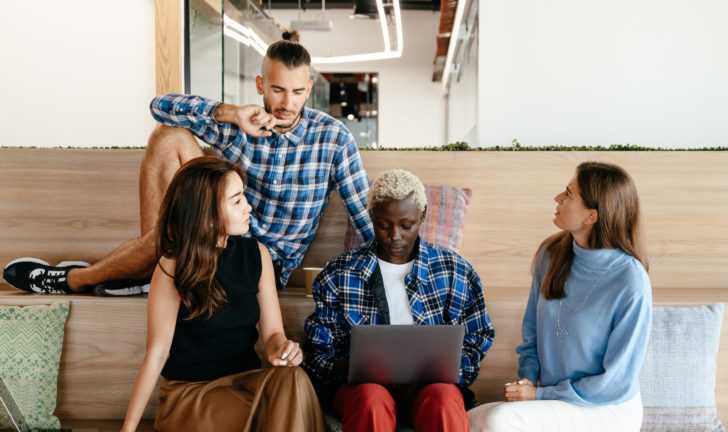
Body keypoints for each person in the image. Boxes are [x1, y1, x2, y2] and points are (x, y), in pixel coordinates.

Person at [3, 30, 373, 295]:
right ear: (261, 85)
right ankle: (152, 264)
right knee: (168, 136)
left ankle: (74, 281)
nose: (287, 103)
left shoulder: (333, 138)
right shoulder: (240, 122)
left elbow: (366, 218)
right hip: (209, 238)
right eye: (277, 89)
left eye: (296, 92)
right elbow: (158, 107)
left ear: (309, 89)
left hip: (260, 266)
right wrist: (228, 114)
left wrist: (404, 273)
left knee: (179, 233)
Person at [120, 156, 324, 432]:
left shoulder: (257, 255)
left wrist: (283, 351)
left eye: (244, 197)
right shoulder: (173, 265)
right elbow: (157, 354)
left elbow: (273, 334)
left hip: (246, 382)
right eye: (237, 200)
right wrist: (128, 428)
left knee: (294, 379)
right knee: (276, 417)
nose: (248, 207)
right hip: (193, 395)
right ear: (207, 211)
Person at [303, 169, 495, 432]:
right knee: (371, 400)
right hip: (362, 389)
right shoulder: (339, 273)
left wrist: (452, 367)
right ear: (371, 217)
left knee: (444, 399)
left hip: (429, 388)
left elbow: (478, 337)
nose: (395, 235)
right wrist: (356, 364)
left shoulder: (455, 271)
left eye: (407, 225)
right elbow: (318, 354)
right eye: (383, 225)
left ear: (422, 215)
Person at [468, 161, 652, 432]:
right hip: (555, 398)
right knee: (468, 420)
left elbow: (615, 382)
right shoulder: (552, 252)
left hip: (606, 408)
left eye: (568, 194)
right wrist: (527, 382)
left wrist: (540, 395)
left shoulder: (630, 280)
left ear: (591, 216)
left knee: (500, 422)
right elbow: (531, 334)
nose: (558, 198)